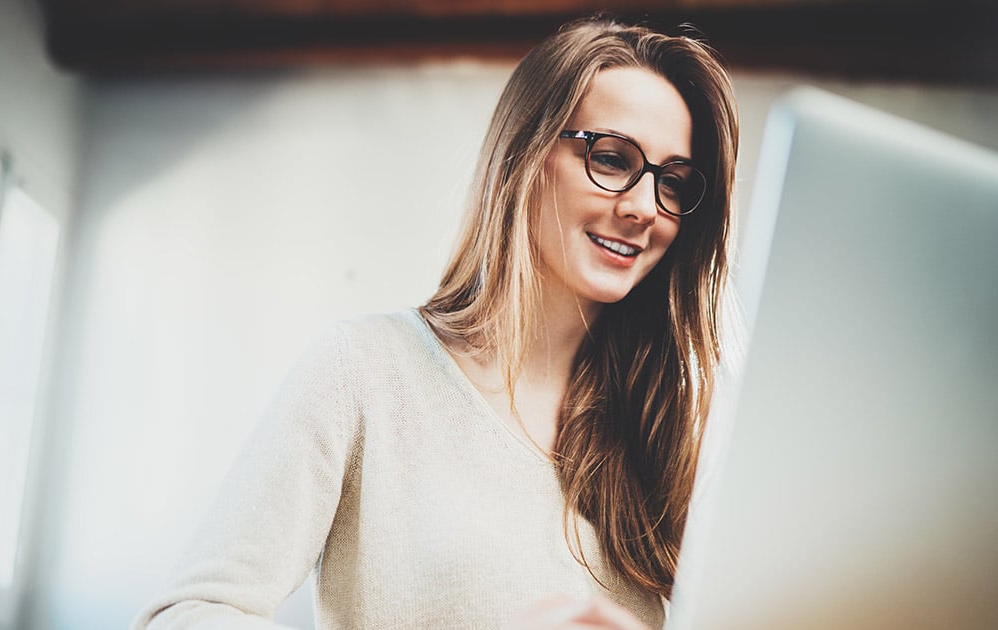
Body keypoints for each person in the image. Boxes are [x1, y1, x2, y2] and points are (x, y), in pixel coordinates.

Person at [135, 15, 738, 630]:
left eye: (673, 182)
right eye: (611, 159)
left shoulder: (666, 430)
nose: (643, 208)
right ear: (524, 155)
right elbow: (189, 616)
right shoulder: (364, 371)